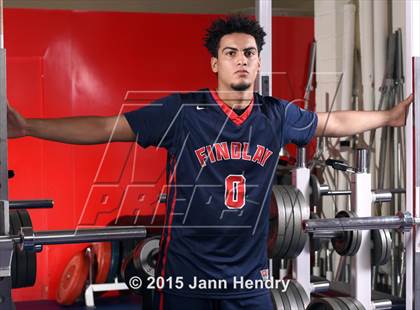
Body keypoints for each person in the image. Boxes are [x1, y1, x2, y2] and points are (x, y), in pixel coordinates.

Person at [6, 14, 411, 310]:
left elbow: (335, 121)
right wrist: (27, 126)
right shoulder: (183, 113)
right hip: (185, 279)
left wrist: (389, 117)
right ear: (215, 63)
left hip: (249, 280)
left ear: (257, 63)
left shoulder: (277, 115)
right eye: (230, 52)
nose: (241, 59)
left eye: (249, 53)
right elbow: (105, 127)